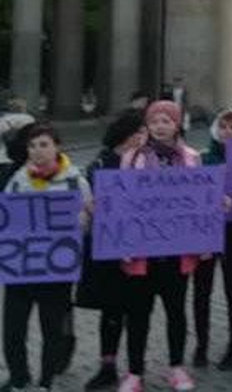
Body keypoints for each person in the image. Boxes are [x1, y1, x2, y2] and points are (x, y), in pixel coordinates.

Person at [0, 124, 92, 392]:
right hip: (19, 268)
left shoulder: (76, 181)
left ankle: (46, 380)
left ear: (57, 147)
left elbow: (87, 227)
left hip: (56, 270)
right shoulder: (17, 179)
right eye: (32, 146)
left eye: (44, 145)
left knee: (52, 330)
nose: (38, 151)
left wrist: (85, 219)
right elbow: (0, 219)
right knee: (13, 330)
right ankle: (18, 377)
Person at [118, 100, 204, 392]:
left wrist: (217, 204)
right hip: (141, 252)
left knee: (176, 312)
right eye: (155, 121)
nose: (160, 126)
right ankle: (134, 372)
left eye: (166, 121)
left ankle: (177, 367)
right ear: (148, 125)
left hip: (176, 253)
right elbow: (121, 200)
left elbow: (200, 199)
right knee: (138, 315)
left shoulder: (192, 158)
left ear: (177, 124)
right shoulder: (131, 158)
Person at [80, 112, 147, 390]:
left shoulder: (149, 162)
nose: (145, 136)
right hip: (109, 249)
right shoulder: (100, 163)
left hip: (141, 249)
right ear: (127, 134)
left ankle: (135, 369)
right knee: (111, 310)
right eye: (140, 131)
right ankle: (107, 365)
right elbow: (90, 202)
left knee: (137, 311)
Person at [191, 109, 232, 372]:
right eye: (224, 127)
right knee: (201, 291)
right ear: (217, 129)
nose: (228, 132)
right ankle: (201, 345)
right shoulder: (202, 158)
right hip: (206, 231)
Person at [0, 97, 38, 169]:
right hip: (25, 157)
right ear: (23, 108)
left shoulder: (4, 119)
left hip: (5, 158)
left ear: (10, 108)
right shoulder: (30, 119)